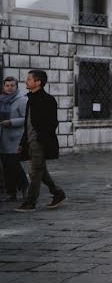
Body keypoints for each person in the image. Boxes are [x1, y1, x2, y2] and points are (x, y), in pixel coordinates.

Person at [14, 70, 66, 212]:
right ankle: (58, 193)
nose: (26, 81)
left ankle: (30, 202)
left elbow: (52, 123)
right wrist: (22, 142)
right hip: (30, 141)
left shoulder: (48, 100)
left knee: (35, 171)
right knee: (40, 171)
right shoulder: (31, 99)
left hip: (39, 142)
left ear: (38, 82)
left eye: (29, 79)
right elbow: (28, 123)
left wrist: (41, 139)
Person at [0, 77, 29, 201]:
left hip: (15, 138)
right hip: (2, 138)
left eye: (12, 85)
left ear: (17, 87)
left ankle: (25, 186)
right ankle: (11, 193)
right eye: (7, 85)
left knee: (14, 165)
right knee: (6, 167)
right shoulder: (1, 100)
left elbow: (26, 118)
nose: (9, 88)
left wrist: (11, 122)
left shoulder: (22, 100)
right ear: (3, 87)